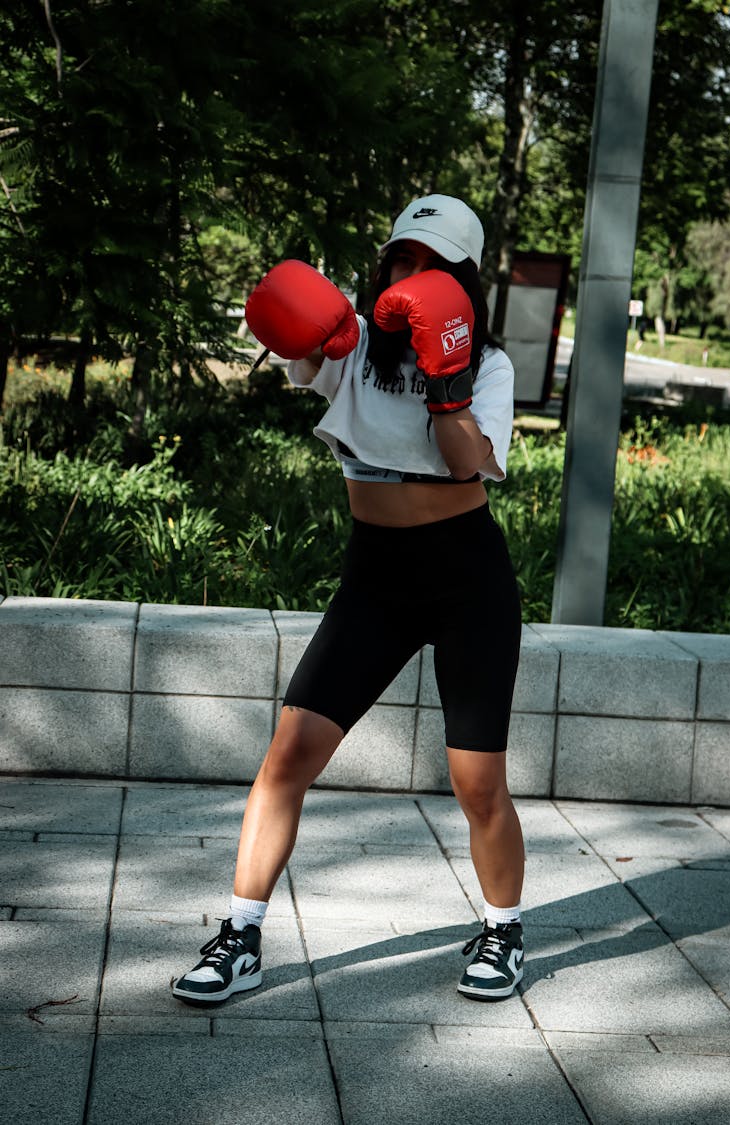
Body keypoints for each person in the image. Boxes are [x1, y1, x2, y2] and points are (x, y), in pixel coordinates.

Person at [172, 194, 525, 1006]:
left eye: (432, 267)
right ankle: (241, 935)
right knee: (288, 752)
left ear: (463, 282)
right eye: (402, 259)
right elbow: (289, 345)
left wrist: (447, 374)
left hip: (468, 577)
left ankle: (503, 930)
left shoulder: (490, 365)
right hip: (377, 577)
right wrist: (314, 326)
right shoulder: (353, 342)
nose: (412, 276)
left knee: (477, 782)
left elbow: (466, 461)